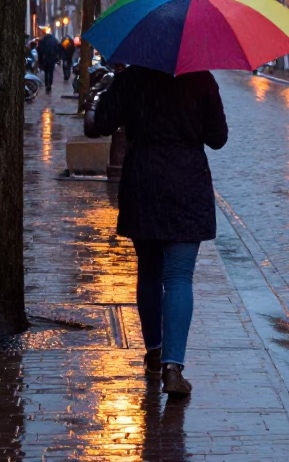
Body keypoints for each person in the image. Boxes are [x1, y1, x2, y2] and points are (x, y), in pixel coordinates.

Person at [89, 65, 228, 396]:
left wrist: (111, 92)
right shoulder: (201, 79)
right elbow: (218, 138)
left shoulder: (131, 78)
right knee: (179, 278)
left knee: (149, 273)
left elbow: (102, 123)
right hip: (187, 184)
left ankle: (153, 352)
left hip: (144, 182)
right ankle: (173, 368)